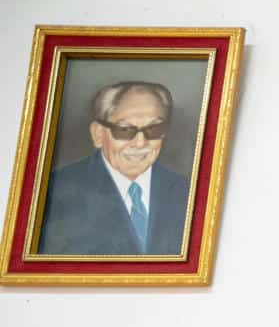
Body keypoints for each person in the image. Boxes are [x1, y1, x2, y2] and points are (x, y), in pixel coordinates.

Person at [36, 81, 190, 256]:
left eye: (154, 129)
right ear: (98, 134)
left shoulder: (187, 191)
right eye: (124, 130)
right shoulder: (55, 190)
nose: (140, 143)